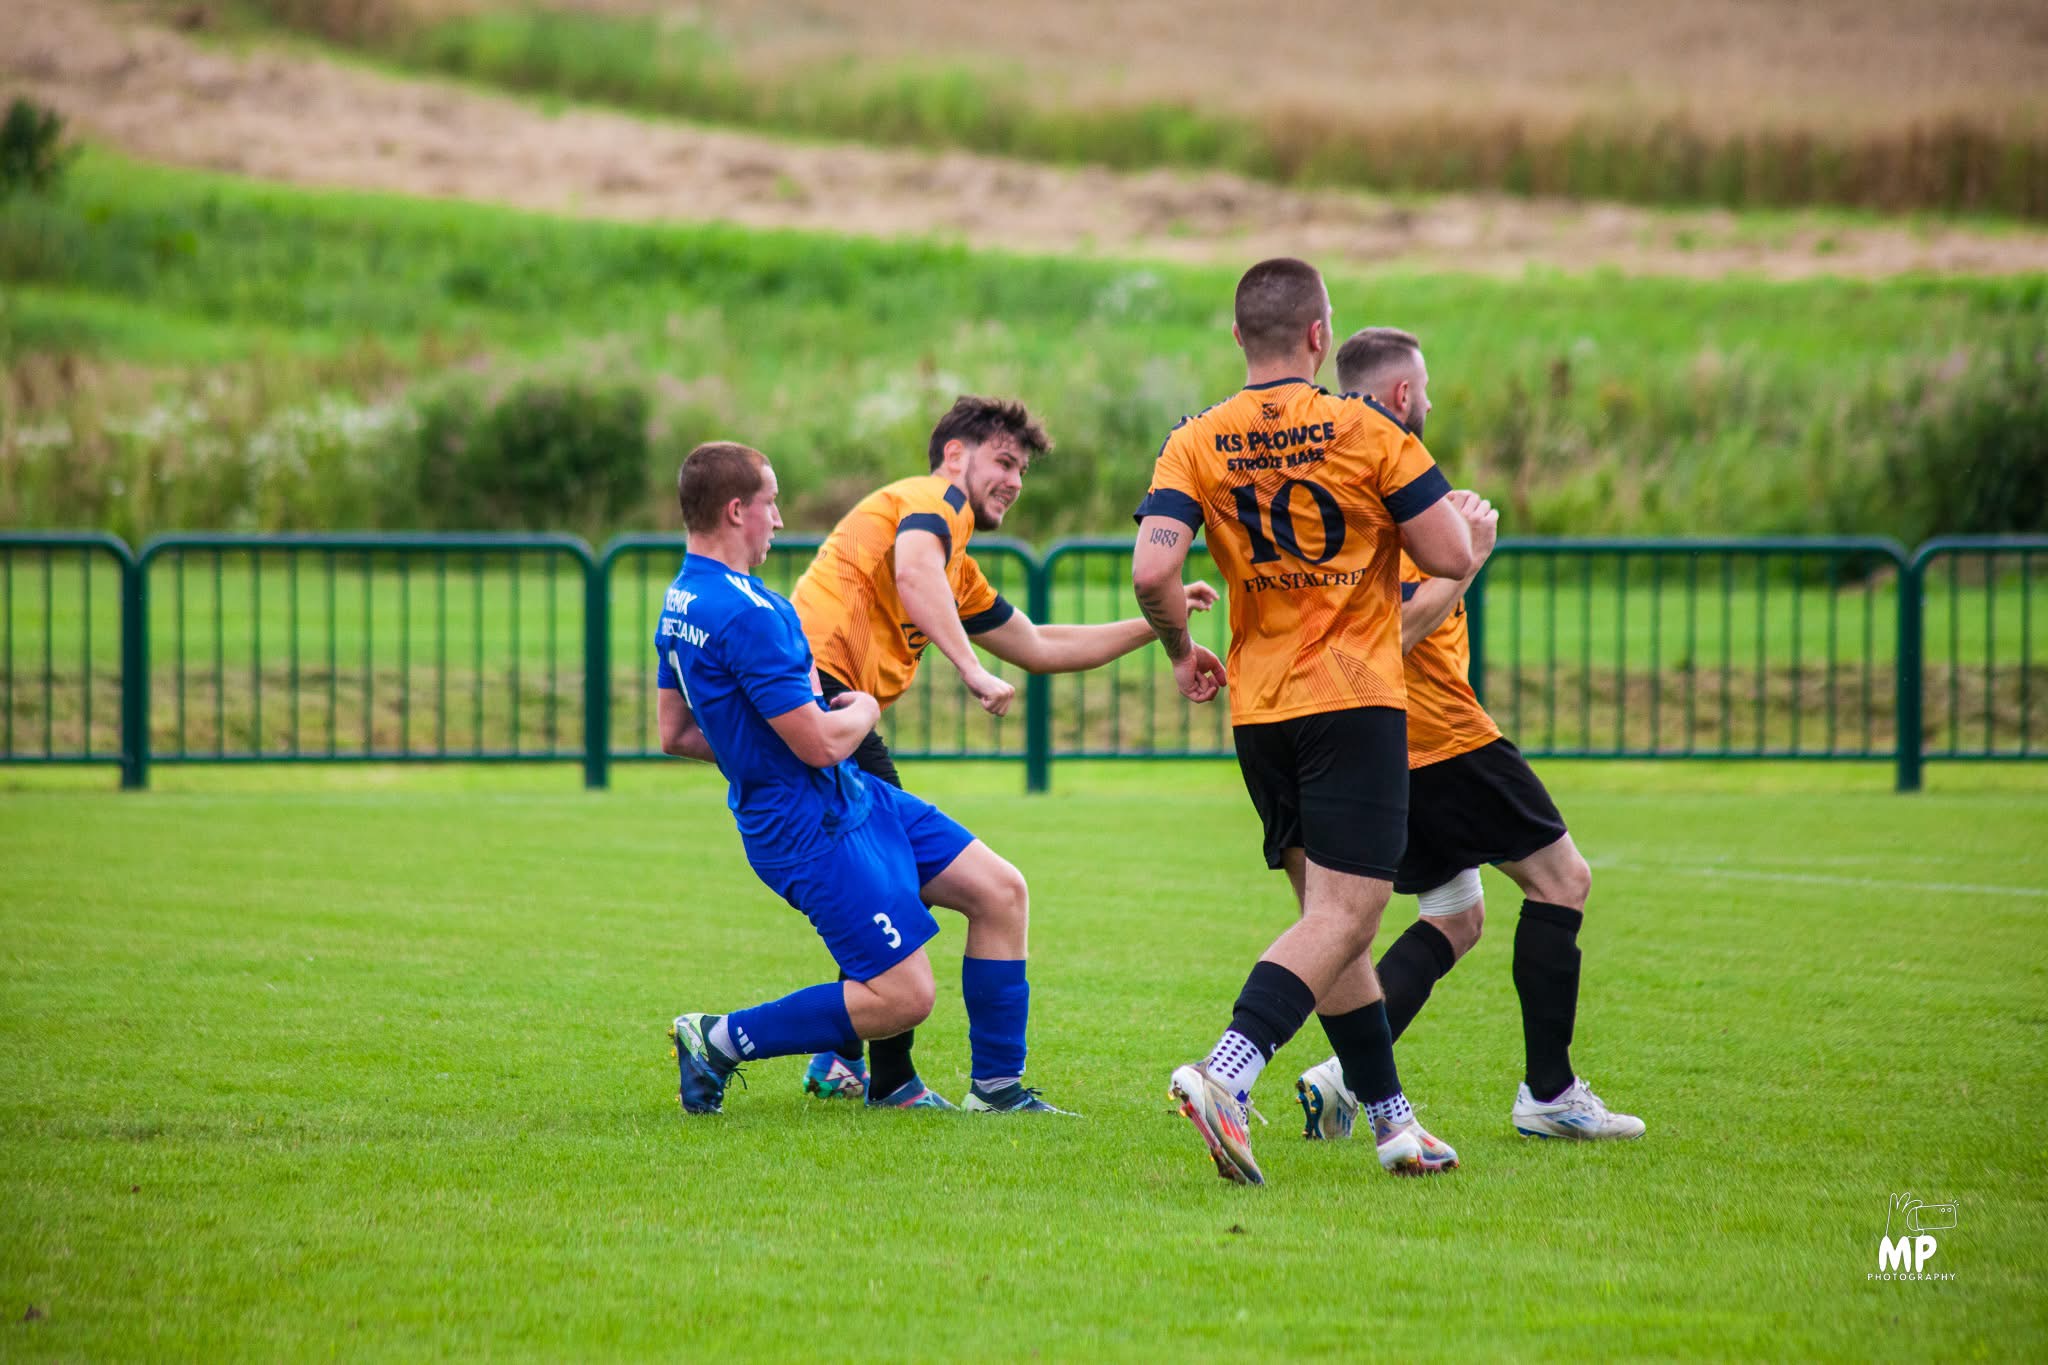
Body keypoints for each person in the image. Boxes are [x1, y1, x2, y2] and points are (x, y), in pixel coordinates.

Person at [1129, 259, 1487, 1185]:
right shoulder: (1370, 429)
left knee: (1330, 927)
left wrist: (1179, 649)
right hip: (1353, 697)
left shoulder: (1193, 440)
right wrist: (1460, 542)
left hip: (1261, 708)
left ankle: (1395, 1123)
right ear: (1320, 336)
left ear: (1238, 336)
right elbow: (1448, 550)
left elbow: (1152, 571)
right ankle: (1227, 1071)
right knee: (1348, 913)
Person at [788, 395, 1216, 1109]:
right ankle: (903, 1079)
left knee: (896, 883)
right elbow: (912, 576)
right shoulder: (935, 500)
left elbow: (1039, 644)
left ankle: (851, 1061)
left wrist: (1159, 625)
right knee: (939, 885)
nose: (1015, 481)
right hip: (826, 706)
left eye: (1022, 470)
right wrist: (972, 669)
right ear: (956, 455)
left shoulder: (952, 559)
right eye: (1005, 461)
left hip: (837, 716)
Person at [1293, 327, 1644, 1142]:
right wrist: (1471, 555)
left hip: (1378, 747)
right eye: (1425, 390)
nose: (1429, 402)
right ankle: (1550, 1093)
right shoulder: (1393, 480)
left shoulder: (1327, 477)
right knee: (1563, 881)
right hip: (1443, 738)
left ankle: (1345, 1075)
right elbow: (1391, 634)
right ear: (1402, 395)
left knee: (1455, 913)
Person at [655, 441, 1069, 1118]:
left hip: (847, 796)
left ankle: (998, 1091)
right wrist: (866, 709)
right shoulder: (750, 612)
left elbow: (674, 733)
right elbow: (821, 743)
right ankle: (718, 1038)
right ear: (735, 511)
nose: (778, 519)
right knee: (905, 996)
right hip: (808, 826)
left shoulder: (681, 601)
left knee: (1000, 891)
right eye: (770, 503)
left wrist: (758, 755)